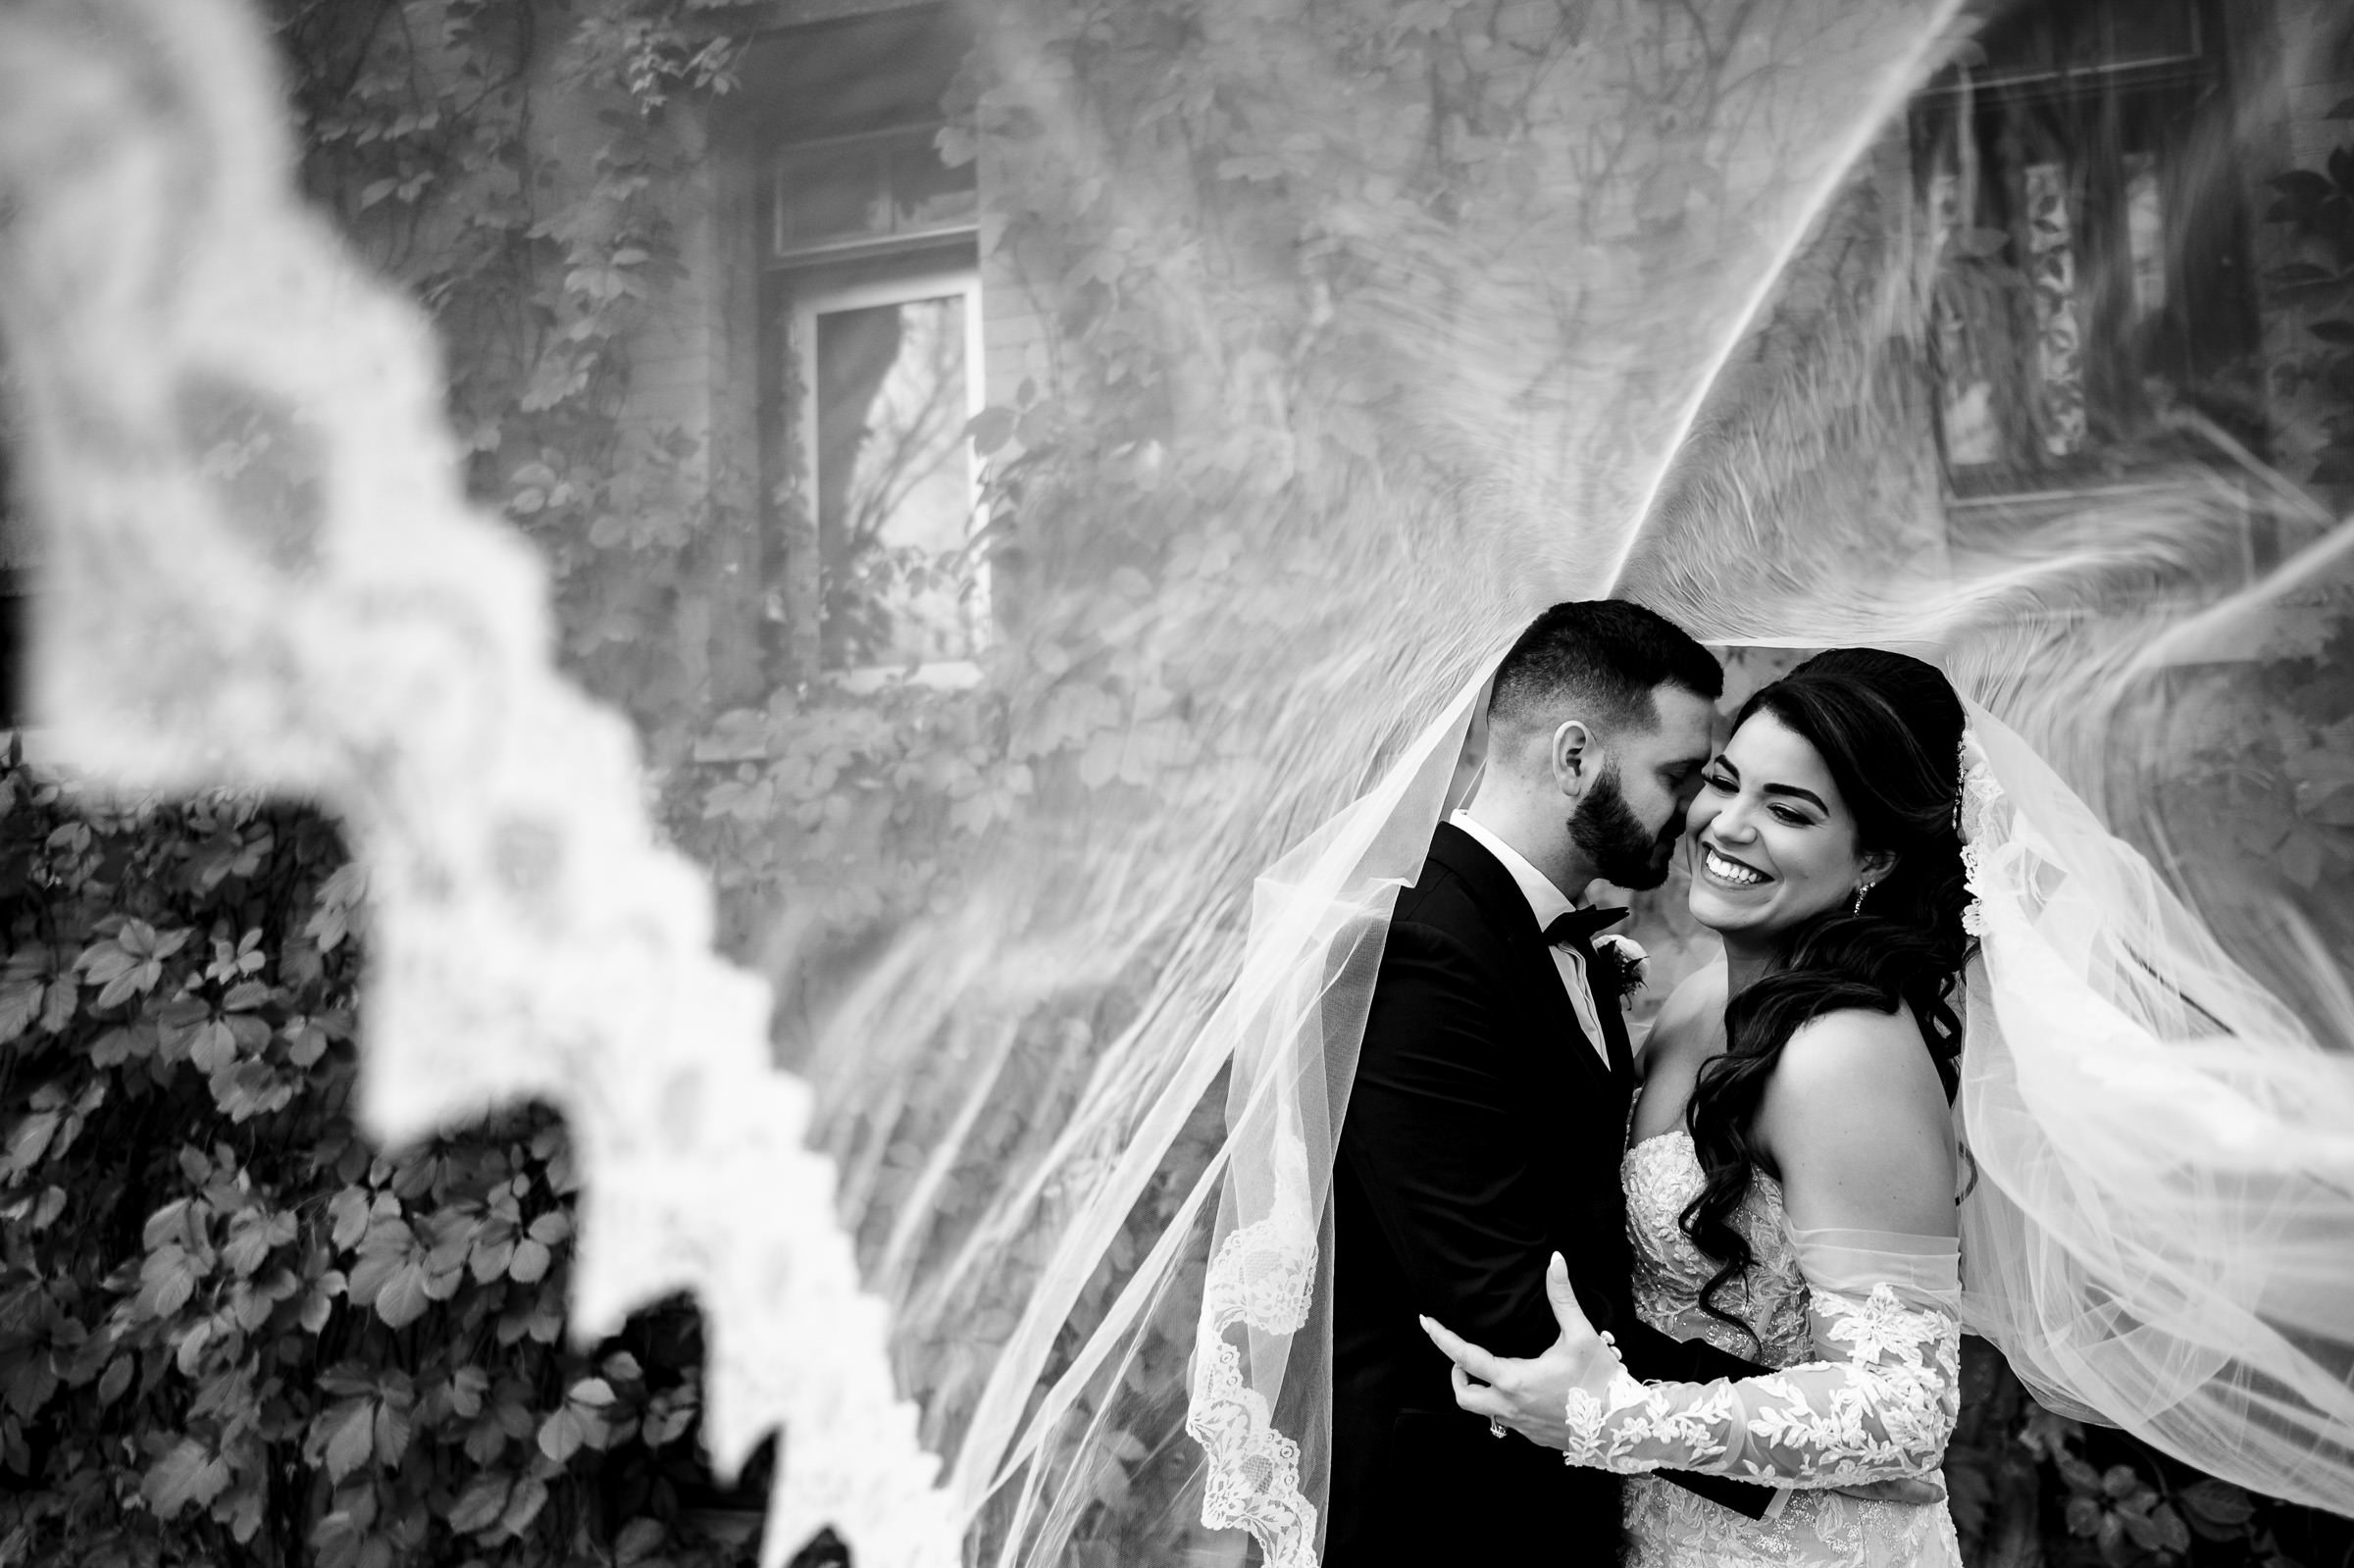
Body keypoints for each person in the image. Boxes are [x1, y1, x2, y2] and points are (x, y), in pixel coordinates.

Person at [1420, 647, 1971, 1567]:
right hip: (1658, 1531)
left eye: (1789, 811)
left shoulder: (1845, 1050)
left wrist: (1618, 1417)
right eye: (1723, 781)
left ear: (1874, 856)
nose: (1728, 824)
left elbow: (1907, 1406)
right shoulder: (1694, 1000)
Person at [1328, 600, 1781, 1563]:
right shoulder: (1423, 951)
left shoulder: (1542, 934)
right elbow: (1504, 1299)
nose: (1695, 811)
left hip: (1557, 1492)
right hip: (1451, 1518)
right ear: (1575, 756)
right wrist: (1796, 1429)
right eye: (1676, 776)